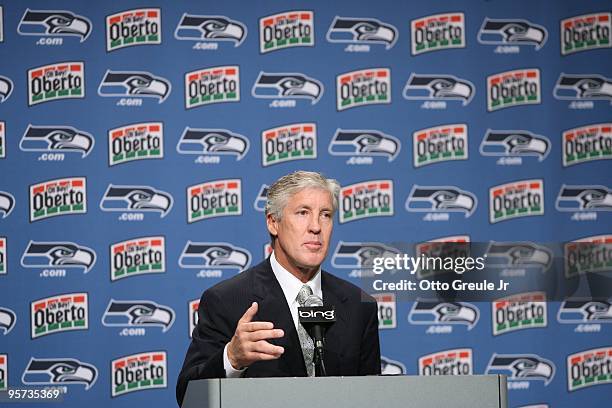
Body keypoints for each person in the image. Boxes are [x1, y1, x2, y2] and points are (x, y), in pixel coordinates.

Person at [176, 171, 381, 406]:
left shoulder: (358, 304)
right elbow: (187, 395)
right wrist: (232, 358)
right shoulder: (227, 300)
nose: (316, 227)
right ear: (273, 222)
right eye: (303, 213)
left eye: (325, 215)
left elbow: (372, 395)